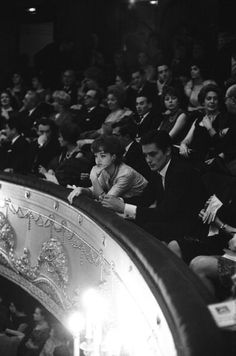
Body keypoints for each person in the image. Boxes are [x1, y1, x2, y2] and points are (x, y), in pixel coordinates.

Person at [101, 130, 206, 242]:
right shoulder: (158, 167)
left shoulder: (182, 172)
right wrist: (119, 201)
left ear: (167, 151)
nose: (148, 160)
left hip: (190, 227)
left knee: (139, 229)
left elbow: (166, 212)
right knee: (124, 222)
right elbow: (146, 198)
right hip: (170, 219)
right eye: (145, 155)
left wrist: (123, 207)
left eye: (152, 154)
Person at [68, 135, 148, 203]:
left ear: (113, 157)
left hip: (142, 207)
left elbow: (106, 202)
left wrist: (94, 178)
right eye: (96, 156)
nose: (98, 160)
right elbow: (95, 191)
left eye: (103, 156)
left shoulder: (126, 174)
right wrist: (82, 190)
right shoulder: (105, 169)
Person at [179, 84, 226, 169]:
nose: (212, 101)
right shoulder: (198, 118)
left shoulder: (224, 118)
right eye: (209, 99)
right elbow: (187, 139)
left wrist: (209, 128)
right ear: (203, 102)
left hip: (210, 161)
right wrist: (183, 145)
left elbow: (223, 146)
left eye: (215, 99)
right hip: (194, 157)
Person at [40, 121, 92, 187]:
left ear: (67, 138)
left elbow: (66, 179)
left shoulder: (79, 157)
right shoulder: (63, 152)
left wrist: (47, 174)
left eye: (61, 137)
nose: (58, 139)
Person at [112, 116, 152, 181]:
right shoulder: (119, 151)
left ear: (127, 137)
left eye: (116, 136)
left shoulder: (139, 152)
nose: (113, 139)